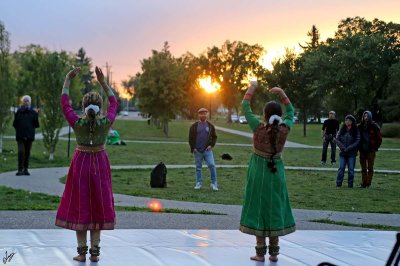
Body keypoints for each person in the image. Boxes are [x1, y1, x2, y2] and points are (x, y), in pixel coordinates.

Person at [55, 66, 118, 262]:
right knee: (98, 204)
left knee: (80, 204)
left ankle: (81, 253)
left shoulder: (77, 123)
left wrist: (67, 79)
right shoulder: (106, 122)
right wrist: (103, 82)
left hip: (81, 163)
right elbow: (115, 102)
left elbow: (65, 104)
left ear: (83, 108)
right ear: (100, 107)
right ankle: (95, 254)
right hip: (99, 162)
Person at [239, 81, 296, 263]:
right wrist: (282, 93)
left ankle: (260, 253)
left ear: (264, 115)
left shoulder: (258, 128)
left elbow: (245, 106)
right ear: (279, 115)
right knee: (273, 209)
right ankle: (274, 254)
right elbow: (291, 112)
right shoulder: (284, 129)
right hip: (276, 172)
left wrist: (252, 88)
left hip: (258, 172)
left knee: (258, 209)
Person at [188, 108, 218, 191]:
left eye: (204, 113)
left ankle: (214, 183)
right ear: (198, 115)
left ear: (207, 114)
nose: (203, 115)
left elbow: (214, 137)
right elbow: (190, 138)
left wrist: (211, 145)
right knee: (198, 167)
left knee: (212, 165)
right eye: (201, 114)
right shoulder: (194, 126)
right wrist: (193, 148)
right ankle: (199, 183)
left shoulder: (210, 126)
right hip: (197, 151)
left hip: (207, 151)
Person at [12, 95, 39, 176]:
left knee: (27, 153)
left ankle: (26, 169)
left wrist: (37, 115)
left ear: (30, 102)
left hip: (29, 136)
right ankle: (20, 169)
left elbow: (36, 124)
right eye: (25, 101)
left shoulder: (33, 113)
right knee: (21, 152)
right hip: (20, 136)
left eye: (27, 101)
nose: (26, 102)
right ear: (22, 102)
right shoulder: (19, 112)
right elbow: (15, 124)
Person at [358, 111, 382, 188]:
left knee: (370, 168)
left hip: (371, 150)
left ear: (370, 117)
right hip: (362, 150)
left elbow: (379, 139)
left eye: (367, 116)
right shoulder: (360, 126)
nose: (366, 117)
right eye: (364, 116)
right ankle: (364, 182)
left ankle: (369, 182)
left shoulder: (374, 126)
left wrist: (375, 148)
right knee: (363, 168)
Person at [335, 115, 360, 188]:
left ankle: (350, 184)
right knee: (341, 168)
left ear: (352, 122)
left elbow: (357, 141)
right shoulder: (342, 129)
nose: (347, 122)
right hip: (342, 153)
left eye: (349, 120)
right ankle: (338, 184)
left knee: (351, 170)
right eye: (346, 120)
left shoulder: (356, 130)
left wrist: (349, 148)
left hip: (351, 153)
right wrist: (342, 147)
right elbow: (337, 139)